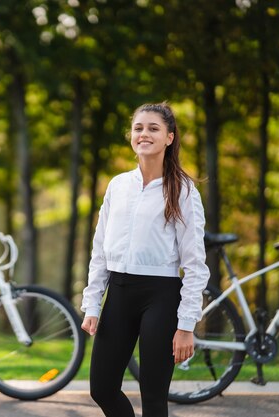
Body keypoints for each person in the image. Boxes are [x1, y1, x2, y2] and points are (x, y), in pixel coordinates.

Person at [80, 102, 210, 417]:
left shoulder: (183, 191)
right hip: (119, 293)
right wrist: (93, 303)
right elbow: (100, 250)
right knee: (102, 389)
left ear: (169, 137)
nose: (144, 134)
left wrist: (186, 325)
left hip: (161, 297)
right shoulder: (118, 186)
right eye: (139, 128)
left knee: (153, 398)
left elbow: (195, 265)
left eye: (153, 128)